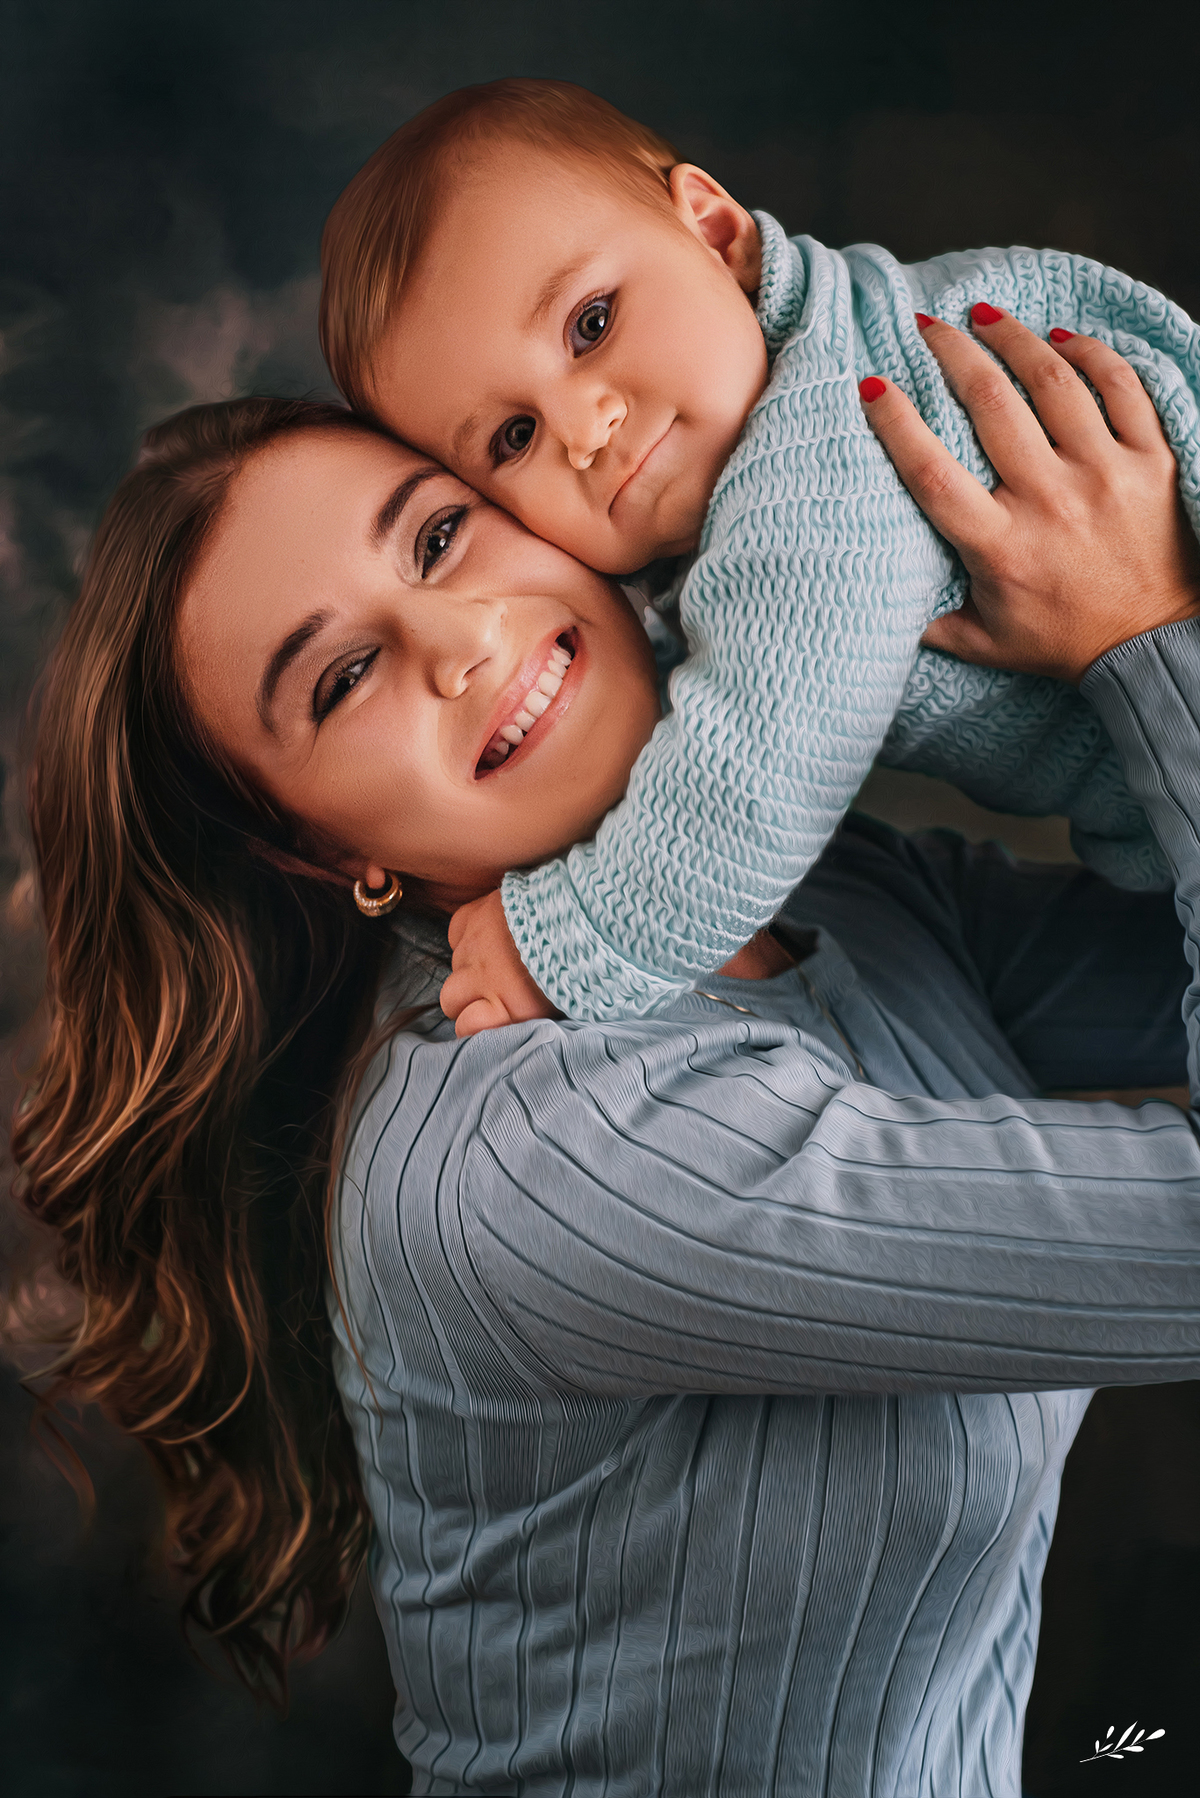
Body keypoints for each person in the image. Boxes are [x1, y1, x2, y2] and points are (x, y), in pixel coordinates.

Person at [13, 298, 1200, 1794]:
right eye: (339, 679)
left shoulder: (812, 893)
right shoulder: (546, 1154)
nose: (459, 642)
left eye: (440, 536)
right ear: (324, 855)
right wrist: (1146, 642)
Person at [318, 77, 1200, 1037]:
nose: (585, 428)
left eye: (591, 324)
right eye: (513, 438)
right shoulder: (749, 438)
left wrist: (579, 937)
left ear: (713, 230)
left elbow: (758, 761)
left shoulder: (827, 445)